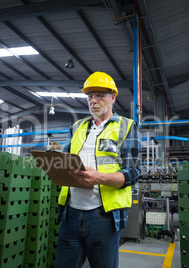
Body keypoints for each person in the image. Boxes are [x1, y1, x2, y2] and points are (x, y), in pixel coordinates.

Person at [54, 72, 141, 268]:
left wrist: (99, 178)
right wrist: (53, 166)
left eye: (100, 95)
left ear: (113, 97)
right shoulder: (76, 127)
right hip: (70, 214)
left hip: (103, 217)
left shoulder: (127, 127)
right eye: (90, 96)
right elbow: (64, 163)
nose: (93, 100)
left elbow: (134, 172)